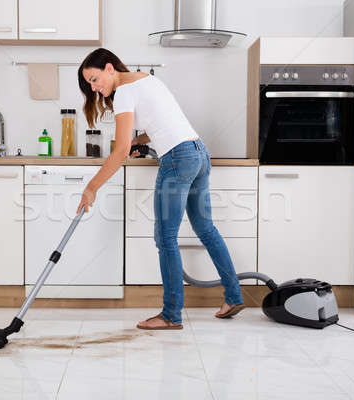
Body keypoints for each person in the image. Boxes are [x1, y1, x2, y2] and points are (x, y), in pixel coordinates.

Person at [77, 48, 244, 330]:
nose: (94, 88)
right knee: (206, 229)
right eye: (90, 85)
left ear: (109, 68)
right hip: (198, 152)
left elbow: (117, 152)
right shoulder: (146, 79)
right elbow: (158, 125)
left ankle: (170, 315)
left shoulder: (124, 94)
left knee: (165, 237)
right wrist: (133, 142)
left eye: (94, 80)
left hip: (178, 159)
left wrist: (91, 187)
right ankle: (234, 296)